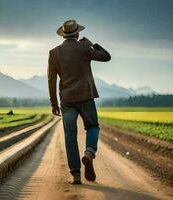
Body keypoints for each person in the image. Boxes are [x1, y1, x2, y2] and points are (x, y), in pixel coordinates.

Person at [47, 19, 111, 184]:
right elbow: (106, 57)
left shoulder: (54, 53)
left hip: (67, 99)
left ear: (63, 35)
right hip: (85, 95)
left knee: (70, 135)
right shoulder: (84, 47)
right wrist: (92, 44)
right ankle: (89, 153)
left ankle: (75, 174)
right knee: (92, 126)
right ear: (77, 33)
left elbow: (51, 80)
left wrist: (54, 103)